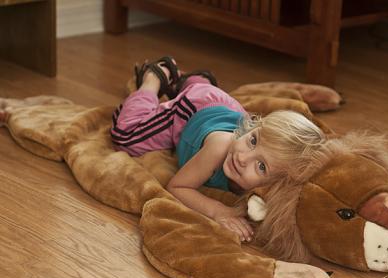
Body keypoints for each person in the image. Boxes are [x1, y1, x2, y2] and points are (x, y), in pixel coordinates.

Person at [111, 56, 326, 242]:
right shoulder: (220, 146)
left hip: (220, 105)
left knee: (208, 95)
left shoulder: (271, 187)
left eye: (261, 166)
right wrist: (218, 211)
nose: (243, 157)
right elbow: (177, 187)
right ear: (254, 128)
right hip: (192, 109)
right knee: (126, 137)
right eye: (252, 141)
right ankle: (155, 77)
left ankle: (194, 80)